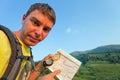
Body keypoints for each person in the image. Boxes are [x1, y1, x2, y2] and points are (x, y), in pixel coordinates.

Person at [0, 3, 61, 80]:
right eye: (35, 23)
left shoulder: (28, 51)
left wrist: (41, 65)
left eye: (45, 29)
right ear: (23, 18)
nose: (39, 33)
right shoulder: (2, 39)